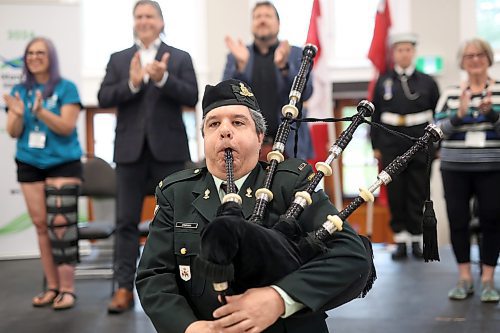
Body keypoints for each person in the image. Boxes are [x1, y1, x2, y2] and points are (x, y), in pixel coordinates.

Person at [136, 79, 370, 333]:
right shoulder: (176, 192)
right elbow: (154, 275)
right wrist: (189, 328)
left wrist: (279, 298)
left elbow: (352, 255)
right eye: (213, 124)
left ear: (260, 138)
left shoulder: (291, 184)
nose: (225, 131)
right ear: (203, 137)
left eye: (238, 122)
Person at [97, 0, 198, 313]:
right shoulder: (118, 59)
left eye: (150, 15)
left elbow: (193, 95)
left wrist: (162, 79)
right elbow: (103, 97)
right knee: (125, 222)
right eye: (139, 16)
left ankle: (181, 288)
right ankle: (123, 290)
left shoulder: (179, 57)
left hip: (168, 152)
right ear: (133, 21)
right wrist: (133, 82)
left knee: (177, 222)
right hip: (129, 153)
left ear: (161, 21)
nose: (144, 21)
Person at [3, 37, 83, 310]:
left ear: (51, 57)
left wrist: (39, 112)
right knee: (41, 226)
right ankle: (52, 287)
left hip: (63, 162)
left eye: (40, 52)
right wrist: (15, 114)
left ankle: (68, 289)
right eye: (30, 53)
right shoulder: (18, 90)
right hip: (29, 162)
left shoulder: (66, 88)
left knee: (61, 225)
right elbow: (14, 132)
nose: (34, 57)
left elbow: (66, 127)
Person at [434, 38, 500, 303]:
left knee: (492, 220)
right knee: (457, 220)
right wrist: (458, 115)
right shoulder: (450, 94)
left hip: (492, 167)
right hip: (455, 168)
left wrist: (493, 115)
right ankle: (464, 278)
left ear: (488, 58)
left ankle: (487, 279)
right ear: (462, 61)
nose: (475, 59)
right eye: (469, 55)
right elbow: (436, 132)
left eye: (480, 55)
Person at [370, 33, 440, 260]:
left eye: (408, 49)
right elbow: (376, 114)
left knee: (418, 190)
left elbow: (438, 115)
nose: (404, 53)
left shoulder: (427, 81)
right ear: (393, 53)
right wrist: (376, 145)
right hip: (391, 140)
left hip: (420, 140)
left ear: (414, 52)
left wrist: (437, 146)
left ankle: (416, 238)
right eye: (399, 50)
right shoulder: (383, 81)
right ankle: (400, 239)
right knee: (396, 190)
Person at [222, 1, 314, 161]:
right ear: (252, 24)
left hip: (290, 144)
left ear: (278, 23)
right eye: (257, 16)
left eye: (267, 16)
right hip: (250, 146)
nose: (262, 20)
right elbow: (225, 97)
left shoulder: (296, 54)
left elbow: (306, 93)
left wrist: (285, 67)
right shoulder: (237, 56)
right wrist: (241, 68)